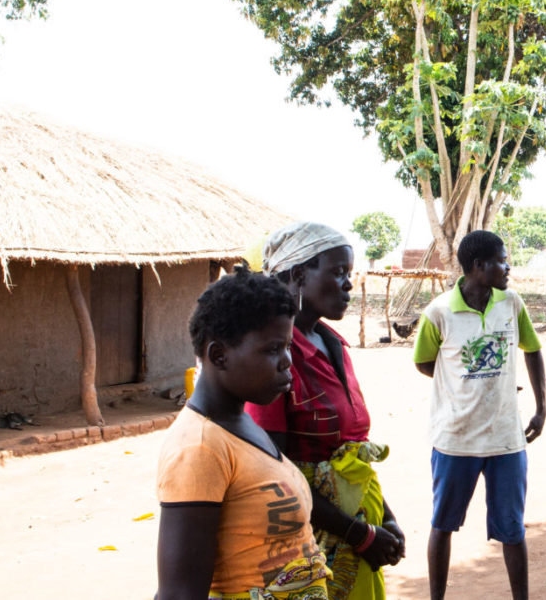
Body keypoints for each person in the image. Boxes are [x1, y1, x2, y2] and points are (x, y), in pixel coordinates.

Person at [248, 222, 405, 600]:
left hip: (359, 531)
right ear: (299, 274)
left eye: (348, 273)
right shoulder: (273, 357)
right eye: (337, 272)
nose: (348, 284)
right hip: (307, 546)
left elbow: (353, 451)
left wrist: (385, 515)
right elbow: (274, 474)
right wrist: (358, 533)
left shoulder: (334, 345)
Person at [156, 267, 332, 600]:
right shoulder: (199, 447)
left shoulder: (242, 424)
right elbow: (179, 593)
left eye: (288, 347)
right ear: (219, 355)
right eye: (271, 350)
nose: (286, 363)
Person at [412, 230, 546, 600]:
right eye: (502, 260)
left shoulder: (511, 303)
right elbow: (426, 363)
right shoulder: (438, 312)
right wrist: (465, 381)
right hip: (456, 439)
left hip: (506, 439)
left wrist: (541, 407)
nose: (508, 267)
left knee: (512, 529)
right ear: (478, 266)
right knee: (443, 524)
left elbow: (532, 350)